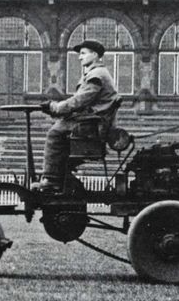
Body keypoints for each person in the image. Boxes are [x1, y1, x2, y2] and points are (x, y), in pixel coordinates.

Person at [33, 40, 119, 193]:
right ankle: (64, 180)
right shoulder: (96, 73)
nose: (80, 57)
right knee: (60, 127)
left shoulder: (96, 75)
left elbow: (80, 100)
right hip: (91, 122)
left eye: (83, 53)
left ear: (95, 55)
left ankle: (52, 179)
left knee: (55, 134)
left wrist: (56, 107)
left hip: (91, 125)